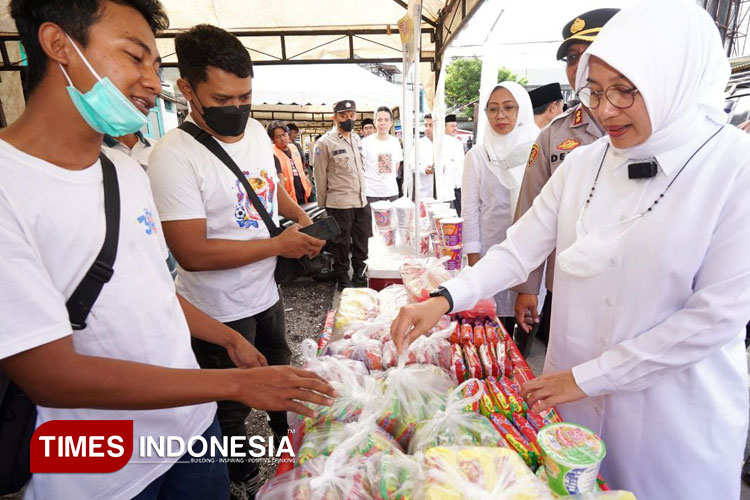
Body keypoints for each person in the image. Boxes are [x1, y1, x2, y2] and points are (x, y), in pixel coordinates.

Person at [392, 1, 750, 498]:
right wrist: (444, 298)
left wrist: (590, 377)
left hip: (670, 417)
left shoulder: (734, 167)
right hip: (573, 402)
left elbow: (716, 317)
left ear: (675, 79)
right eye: (596, 91)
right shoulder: (585, 163)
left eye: (625, 91)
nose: (605, 110)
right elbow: (519, 248)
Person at [0, 2, 333, 500]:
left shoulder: (124, 171)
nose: (152, 82)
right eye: (134, 58)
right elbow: (53, 377)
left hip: (190, 433)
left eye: (156, 65)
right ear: (58, 45)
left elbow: (152, 289)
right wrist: (231, 387)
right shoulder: (10, 187)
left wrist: (227, 338)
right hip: (96, 464)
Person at [147, 25, 325, 500]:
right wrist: (277, 247)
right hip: (216, 309)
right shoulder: (172, 157)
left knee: (280, 370)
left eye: (246, 96)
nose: (238, 108)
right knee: (229, 405)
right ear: (188, 89)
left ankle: (289, 450)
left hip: (266, 294)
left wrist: (302, 220)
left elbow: (269, 189)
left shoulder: (255, 133)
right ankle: (241, 474)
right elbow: (192, 253)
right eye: (224, 98)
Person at [512, 8, 618, 344]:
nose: (580, 66)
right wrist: (528, 288)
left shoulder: (657, 130)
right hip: (568, 285)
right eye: (572, 57)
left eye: (592, 52)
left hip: (633, 290)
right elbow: (531, 213)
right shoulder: (553, 135)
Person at [461, 81, 538, 333]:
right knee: (492, 331)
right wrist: (475, 266)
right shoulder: (479, 155)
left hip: (531, 257)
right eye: (492, 109)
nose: (500, 115)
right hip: (490, 255)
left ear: (523, 110)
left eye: (508, 107)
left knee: (527, 328)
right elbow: (470, 210)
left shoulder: (537, 151)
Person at [313, 99, 370, 290]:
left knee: (362, 241)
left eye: (352, 115)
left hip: (361, 201)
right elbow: (319, 175)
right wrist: (323, 205)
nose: (348, 119)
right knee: (341, 244)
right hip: (339, 203)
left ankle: (360, 275)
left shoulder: (356, 139)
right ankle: (343, 278)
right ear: (335, 117)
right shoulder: (324, 143)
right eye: (343, 116)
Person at [362, 106, 403, 203]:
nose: (383, 123)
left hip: (391, 191)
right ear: (375, 122)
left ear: (391, 122)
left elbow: (396, 165)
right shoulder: (365, 142)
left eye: (386, 120)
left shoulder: (395, 142)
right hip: (371, 193)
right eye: (379, 120)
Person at [268, 120, 313, 204]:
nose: (282, 139)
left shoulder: (294, 147)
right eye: (278, 137)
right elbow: (279, 178)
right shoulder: (272, 153)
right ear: (273, 139)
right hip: (289, 199)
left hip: (305, 193)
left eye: (284, 135)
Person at [443, 114, 466, 213]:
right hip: (448, 186)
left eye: (456, 126)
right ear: (444, 127)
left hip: (459, 185)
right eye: (452, 126)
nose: (455, 129)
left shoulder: (458, 142)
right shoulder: (441, 143)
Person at [416, 113, 436, 199]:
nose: (427, 128)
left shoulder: (448, 143)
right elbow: (411, 165)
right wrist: (423, 169)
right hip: (425, 192)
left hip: (445, 192)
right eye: (425, 125)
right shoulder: (419, 144)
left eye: (430, 125)